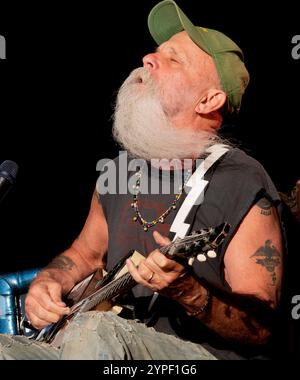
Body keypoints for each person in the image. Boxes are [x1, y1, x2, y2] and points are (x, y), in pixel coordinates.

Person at [0, 0, 290, 360]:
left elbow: (261, 330)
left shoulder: (241, 181)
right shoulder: (119, 171)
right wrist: (51, 281)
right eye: (154, 53)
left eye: (173, 59)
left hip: (198, 356)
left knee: (97, 329)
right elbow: (83, 254)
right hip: (93, 346)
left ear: (209, 99)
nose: (148, 60)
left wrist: (189, 291)